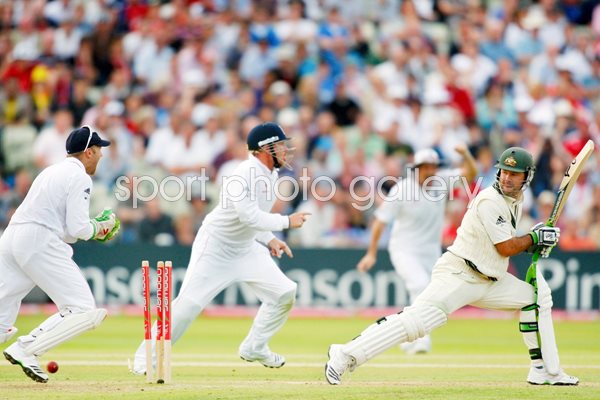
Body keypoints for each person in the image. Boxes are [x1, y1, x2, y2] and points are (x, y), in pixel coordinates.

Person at [325, 147, 579, 386]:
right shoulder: (489, 200)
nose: (507, 178)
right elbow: (506, 248)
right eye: (504, 172)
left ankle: (543, 370)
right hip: (460, 274)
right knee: (418, 323)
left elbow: (508, 242)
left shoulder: (516, 200)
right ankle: (345, 354)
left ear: (527, 177)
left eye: (514, 174)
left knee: (536, 298)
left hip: (491, 280)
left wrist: (534, 239)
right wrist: (534, 239)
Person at [132, 122, 310, 372]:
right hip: (216, 247)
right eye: (279, 145)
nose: (285, 149)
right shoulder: (242, 174)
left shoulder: (271, 174)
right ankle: (143, 361)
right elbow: (248, 216)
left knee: (284, 293)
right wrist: (287, 222)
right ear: (263, 149)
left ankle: (254, 347)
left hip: (246, 248)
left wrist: (269, 238)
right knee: (188, 305)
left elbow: (256, 217)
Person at [0, 126, 120, 383]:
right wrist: (100, 228)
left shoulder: (51, 171)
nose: (100, 156)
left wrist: (93, 228)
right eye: (99, 151)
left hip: (12, 238)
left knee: (2, 314)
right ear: (88, 152)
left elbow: (67, 231)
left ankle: (23, 347)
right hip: (38, 240)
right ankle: (26, 348)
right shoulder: (80, 177)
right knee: (82, 309)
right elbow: (79, 229)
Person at [356, 146, 477, 354]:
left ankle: (406, 337)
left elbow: (471, 174)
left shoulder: (442, 181)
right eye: (425, 167)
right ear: (416, 169)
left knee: (428, 295)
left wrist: (466, 155)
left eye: (433, 167)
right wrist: (371, 253)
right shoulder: (401, 190)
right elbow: (380, 221)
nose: (430, 171)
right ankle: (422, 340)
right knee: (419, 286)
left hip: (430, 251)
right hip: (404, 249)